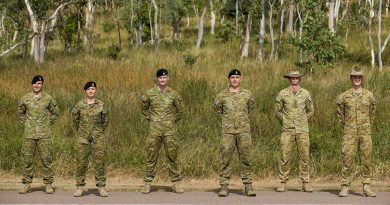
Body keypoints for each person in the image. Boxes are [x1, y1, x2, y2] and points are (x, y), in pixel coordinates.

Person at [140, 68, 184, 194]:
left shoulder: (173, 94)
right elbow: (144, 109)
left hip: (170, 131)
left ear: (168, 78)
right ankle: (148, 183)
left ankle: (176, 183)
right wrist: (153, 119)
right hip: (154, 131)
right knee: (151, 156)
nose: (162, 80)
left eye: (164, 78)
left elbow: (180, 110)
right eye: (160, 78)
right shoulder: (150, 93)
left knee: (172, 156)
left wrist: (171, 120)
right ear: (157, 79)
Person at [214, 69, 256, 197]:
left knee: (246, 158)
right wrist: (227, 122)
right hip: (227, 132)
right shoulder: (221, 95)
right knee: (225, 158)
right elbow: (217, 111)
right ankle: (224, 186)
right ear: (229, 79)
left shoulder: (247, 94)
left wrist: (242, 121)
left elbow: (251, 109)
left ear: (241, 79)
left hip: (244, 131)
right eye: (232, 77)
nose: (235, 79)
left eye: (237, 77)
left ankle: (248, 185)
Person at [336, 67, 376, 197]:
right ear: (351, 78)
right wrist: (347, 126)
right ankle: (345, 186)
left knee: (366, 160)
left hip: (365, 133)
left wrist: (367, 126)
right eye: (354, 77)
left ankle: (366, 186)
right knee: (347, 159)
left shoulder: (369, 95)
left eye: (359, 77)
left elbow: (372, 113)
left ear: (362, 79)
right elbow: (339, 114)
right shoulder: (344, 96)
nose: (357, 79)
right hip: (349, 133)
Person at [18, 75, 59, 194]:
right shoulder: (25, 98)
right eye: (35, 83)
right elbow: (20, 113)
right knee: (27, 160)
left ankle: (48, 184)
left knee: (46, 159)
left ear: (42, 85)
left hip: (44, 134)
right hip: (29, 135)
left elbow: (55, 113)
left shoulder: (48, 98)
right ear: (32, 84)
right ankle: (26, 184)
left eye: (39, 83)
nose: (37, 85)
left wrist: (46, 123)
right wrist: (27, 124)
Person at [275, 71, 314, 192]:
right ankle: (282, 182)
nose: (294, 80)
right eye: (292, 78)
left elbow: (311, 110)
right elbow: (277, 111)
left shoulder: (305, 93)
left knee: (304, 157)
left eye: (296, 78)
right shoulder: (282, 93)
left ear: (300, 79)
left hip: (302, 130)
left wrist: (302, 120)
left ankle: (305, 182)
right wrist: (285, 121)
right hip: (287, 130)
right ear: (289, 79)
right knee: (285, 156)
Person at [71, 81, 109, 197]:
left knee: (99, 163)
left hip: (98, 137)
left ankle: (101, 187)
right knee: (81, 163)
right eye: (88, 89)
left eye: (92, 89)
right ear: (85, 91)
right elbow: (75, 120)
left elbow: (105, 121)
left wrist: (97, 132)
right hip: (83, 138)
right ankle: (80, 187)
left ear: (95, 90)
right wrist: (82, 132)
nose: (91, 91)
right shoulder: (79, 105)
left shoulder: (101, 105)